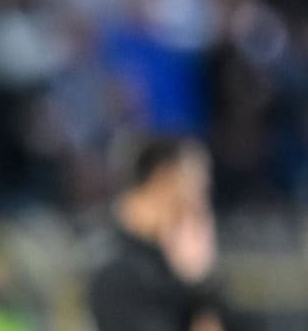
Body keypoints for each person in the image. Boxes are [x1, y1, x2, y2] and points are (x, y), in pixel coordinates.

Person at [89, 136, 228, 331]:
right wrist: (198, 287)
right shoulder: (113, 264)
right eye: (198, 187)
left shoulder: (169, 261)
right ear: (163, 178)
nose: (202, 203)